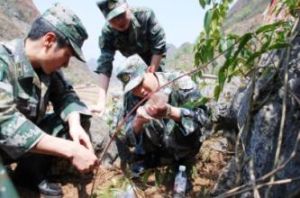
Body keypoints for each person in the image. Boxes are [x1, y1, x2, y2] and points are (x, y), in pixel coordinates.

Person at [0, 3, 98, 197]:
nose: (67, 64)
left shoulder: (48, 71)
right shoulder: (4, 61)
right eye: (67, 55)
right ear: (49, 40)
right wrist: (70, 149)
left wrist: (75, 126)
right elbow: (3, 121)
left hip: (14, 149)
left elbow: (67, 95)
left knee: (69, 119)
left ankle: (27, 178)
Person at [115, 55, 210, 190]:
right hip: (156, 152)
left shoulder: (178, 82)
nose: (139, 91)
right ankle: (145, 167)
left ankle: (182, 166)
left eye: (140, 83)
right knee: (118, 132)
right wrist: (137, 123)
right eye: (133, 88)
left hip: (184, 148)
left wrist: (171, 112)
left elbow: (204, 118)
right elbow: (125, 137)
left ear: (150, 70)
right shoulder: (131, 98)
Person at [92, 0, 167, 115]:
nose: (119, 22)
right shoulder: (108, 33)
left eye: (121, 15)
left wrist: (151, 76)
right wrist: (101, 102)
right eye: (113, 19)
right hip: (132, 70)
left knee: (159, 97)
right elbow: (105, 65)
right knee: (131, 108)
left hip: (153, 62)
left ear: (127, 7)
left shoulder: (145, 15)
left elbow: (159, 46)